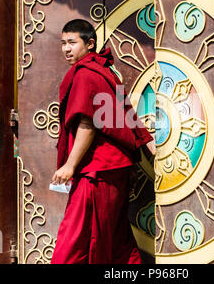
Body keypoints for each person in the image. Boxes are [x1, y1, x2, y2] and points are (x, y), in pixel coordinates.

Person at [50, 19, 154, 264]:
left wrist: (70, 165)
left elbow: (88, 123)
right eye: (63, 43)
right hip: (116, 168)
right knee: (114, 238)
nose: (66, 48)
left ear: (90, 44)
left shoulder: (86, 74)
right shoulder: (107, 71)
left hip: (96, 171)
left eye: (72, 43)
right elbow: (126, 110)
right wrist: (145, 144)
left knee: (73, 242)